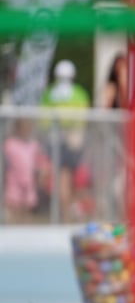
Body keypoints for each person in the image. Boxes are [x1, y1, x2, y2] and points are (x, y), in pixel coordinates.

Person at [41, 60, 91, 221]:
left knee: (68, 180)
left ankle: (68, 213)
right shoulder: (79, 94)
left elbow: (44, 121)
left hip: (60, 141)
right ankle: (67, 215)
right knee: (68, 180)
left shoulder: (50, 94)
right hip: (71, 141)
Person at [3, 118, 45, 221]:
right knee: (13, 205)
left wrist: (41, 174)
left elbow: (39, 162)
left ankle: (26, 228)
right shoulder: (10, 144)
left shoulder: (33, 145)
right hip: (13, 180)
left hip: (29, 180)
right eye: (23, 128)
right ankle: (12, 230)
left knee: (28, 205)